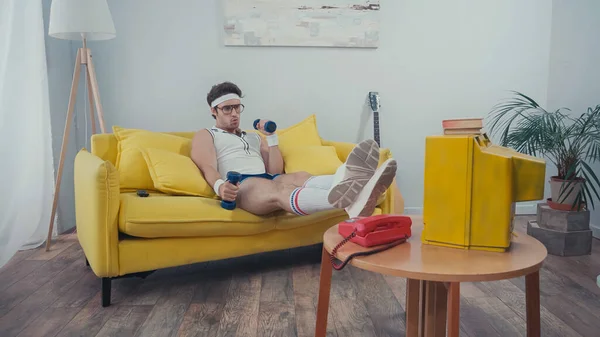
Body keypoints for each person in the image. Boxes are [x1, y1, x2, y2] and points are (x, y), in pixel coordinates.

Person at [190, 81, 397, 218]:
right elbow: (207, 167)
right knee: (282, 190)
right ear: (213, 111)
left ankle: (360, 184)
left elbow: (275, 171)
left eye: (237, 107)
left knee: (300, 177)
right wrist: (220, 188)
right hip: (243, 186)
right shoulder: (206, 134)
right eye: (227, 108)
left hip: (266, 178)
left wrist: (271, 138)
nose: (234, 113)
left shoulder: (252, 136)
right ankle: (353, 196)